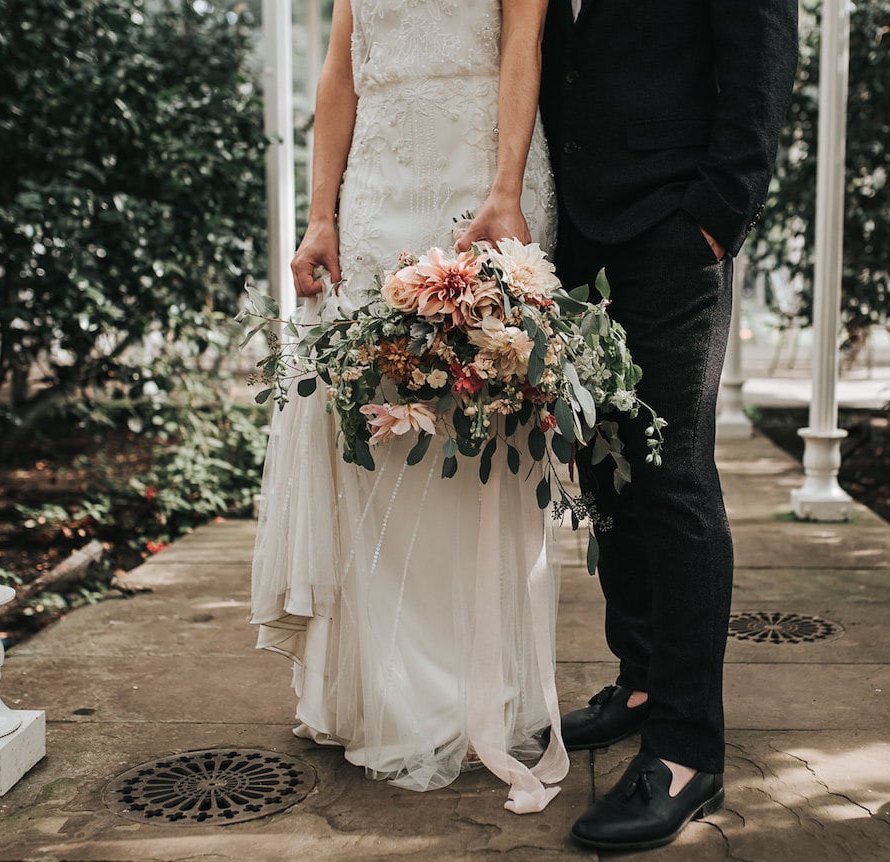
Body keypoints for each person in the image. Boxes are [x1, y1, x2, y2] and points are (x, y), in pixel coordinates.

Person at [249, 0, 568, 814]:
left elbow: (522, 43)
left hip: (481, 184)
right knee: (375, 434)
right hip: (377, 196)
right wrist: (321, 217)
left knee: (475, 436)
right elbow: (340, 73)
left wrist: (504, 188)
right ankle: (382, 692)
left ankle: (468, 696)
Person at [540, 0, 799, 849]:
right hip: (574, 232)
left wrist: (716, 219)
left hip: (673, 230)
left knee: (672, 475)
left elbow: (761, 68)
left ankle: (686, 749)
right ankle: (642, 679)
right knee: (606, 467)